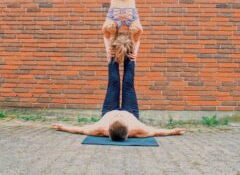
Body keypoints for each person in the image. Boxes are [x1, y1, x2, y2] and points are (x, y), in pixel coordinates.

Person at [53, 55, 186, 141]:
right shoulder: (138, 130)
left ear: (108, 128)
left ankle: (113, 51)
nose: (119, 115)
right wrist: (173, 131)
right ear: (129, 128)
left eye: (116, 118)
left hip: (108, 110)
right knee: (128, 83)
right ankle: (130, 51)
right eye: (120, 119)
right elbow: (157, 132)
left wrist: (63, 127)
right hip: (131, 112)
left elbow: (80, 130)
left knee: (114, 82)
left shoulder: (100, 129)